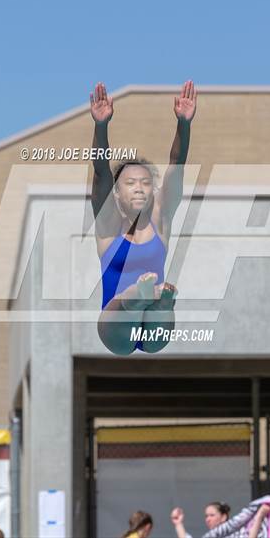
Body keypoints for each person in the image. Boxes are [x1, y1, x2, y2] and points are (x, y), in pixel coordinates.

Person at [89, 81, 197, 355]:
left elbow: (177, 164)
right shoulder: (108, 227)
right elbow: (101, 171)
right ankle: (142, 296)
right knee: (134, 300)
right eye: (130, 182)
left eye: (145, 183)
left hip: (155, 332)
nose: (138, 187)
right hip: (115, 329)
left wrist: (184, 124)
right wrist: (101, 126)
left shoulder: (160, 220)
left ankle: (159, 301)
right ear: (116, 194)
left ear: (154, 192)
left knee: (159, 302)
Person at [171, 496, 270, 538]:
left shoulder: (238, 533)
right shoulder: (211, 536)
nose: (208, 519)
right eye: (206, 516)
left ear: (223, 517)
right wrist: (178, 523)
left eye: (212, 515)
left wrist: (259, 517)